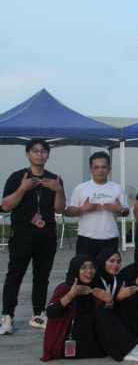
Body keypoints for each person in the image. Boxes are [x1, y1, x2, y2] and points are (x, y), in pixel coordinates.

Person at [1, 139, 65, 335]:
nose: (39, 155)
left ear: (48, 155)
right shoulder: (17, 177)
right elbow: (6, 205)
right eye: (35, 151)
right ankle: (7, 315)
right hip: (22, 235)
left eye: (43, 151)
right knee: (15, 276)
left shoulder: (54, 178)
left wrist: (58, 190)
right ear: (27, 154)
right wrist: (22, 189)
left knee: (42, 277)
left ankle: (38, 313)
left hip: (46, 236)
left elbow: (59, 208)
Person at [42, 255, 138, 362]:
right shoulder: (65, 288)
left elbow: (105, 313)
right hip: (64, 342)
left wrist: (109, 301)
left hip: (84, 338)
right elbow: (50, 312)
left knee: (109, 311)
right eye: (84, 267)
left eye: (92, 267)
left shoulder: (91, 288)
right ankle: (127, 350)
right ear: (75, 270)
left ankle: (134, 345)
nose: (89, 271)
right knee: (98, 315)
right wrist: (71, 295)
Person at [66, 151, 129, 259]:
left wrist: (119, 209)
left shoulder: (117, 188)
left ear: (109, 169)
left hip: (110, 238)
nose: (100, 170)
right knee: (84, 267)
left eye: (104, 167)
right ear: (90, 169)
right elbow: (69, 212)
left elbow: (126, 212)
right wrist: (82, 209)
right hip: (86, 238)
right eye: (96, 167)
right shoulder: (81, 188)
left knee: (107, 268)